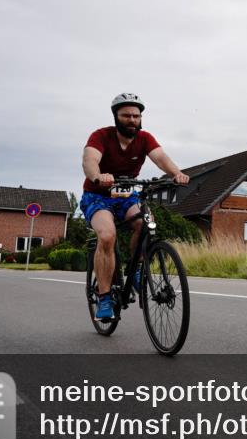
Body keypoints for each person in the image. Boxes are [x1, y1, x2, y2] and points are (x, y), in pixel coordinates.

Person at [81, 93, 189, 321]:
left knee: (144, 224)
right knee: (108, 235)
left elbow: (161, 158)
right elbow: (89, 160)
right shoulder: (101, 136)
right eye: (126, 115)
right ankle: (105, 297)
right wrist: (98, 176)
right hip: (98, 196)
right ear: (116, 117)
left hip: (126, 196)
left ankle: (137, 269)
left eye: (136, 116)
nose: (132, 119)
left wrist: (176, 173)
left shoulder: (145, 138)